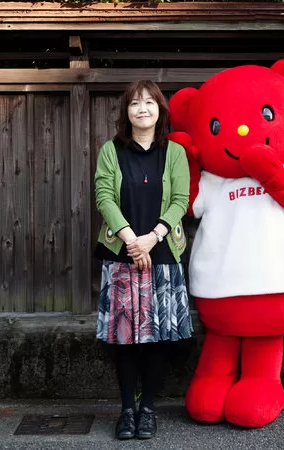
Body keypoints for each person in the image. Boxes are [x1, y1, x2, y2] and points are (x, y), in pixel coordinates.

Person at [94, 80, 192, 440]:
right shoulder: (111, 151)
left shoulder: (175, 153)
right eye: (135, 103)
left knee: (156, 337)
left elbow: (180, 199)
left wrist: (152, 238)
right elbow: (104, 195)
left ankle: (148, 408)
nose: (142, 109)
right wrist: (132, 240)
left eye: (149, 102)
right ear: (126, 112)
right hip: (121, 255)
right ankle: (126, 410)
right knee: (125, 339)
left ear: (160, 110)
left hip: (163, 254)